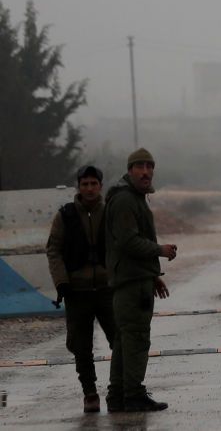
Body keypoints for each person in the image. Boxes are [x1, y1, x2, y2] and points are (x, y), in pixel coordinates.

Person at [105, 148, 177, 412]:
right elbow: (128, 241)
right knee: (136, 339)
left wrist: (153, 276)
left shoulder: (134, 198)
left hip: (136, 280)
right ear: (130, 170)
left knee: (125, 341)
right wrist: (160, 250)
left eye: (149, 166)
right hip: (130, 285)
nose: (146, 172)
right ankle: (133, 395)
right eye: (140, 167)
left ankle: (117, 396)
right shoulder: (125, 200)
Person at [45, 165, 122, 414]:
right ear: (79, 186)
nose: (89, 188)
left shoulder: (111, 212)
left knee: (119, 340)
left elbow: (124, 244)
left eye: (93, 183)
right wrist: (61, 282)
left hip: (107, 289)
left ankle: (117, 388)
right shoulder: (65, 215)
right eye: (85, 184)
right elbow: (54, 249)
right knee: (81, 345)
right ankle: (89, 392)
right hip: (76, 291)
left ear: (100, 186)